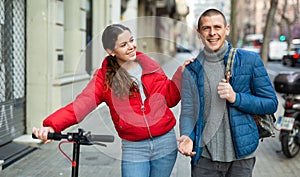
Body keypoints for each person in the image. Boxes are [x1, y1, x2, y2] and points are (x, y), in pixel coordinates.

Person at [32, 24, 192, 177]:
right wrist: (51, 126)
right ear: (111, 51)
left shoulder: (151, 66)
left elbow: (170, 99)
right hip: (134, 147)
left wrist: (181, 73)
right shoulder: (104, 78)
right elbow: (81, 105)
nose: (131, 46)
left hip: (165, 142)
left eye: (131, 40)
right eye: (123, 44)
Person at [177, 8, 278, 177]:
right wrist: (187, 136)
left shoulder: (250, 61)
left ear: (227, 29)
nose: (212, 33)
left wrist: (236, 97)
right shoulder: (191, 70)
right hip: (204, 158)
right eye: (206, 28)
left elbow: (271, 103)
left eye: (217, 27)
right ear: (199, 33)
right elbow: (188, 111)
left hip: (241, 157)